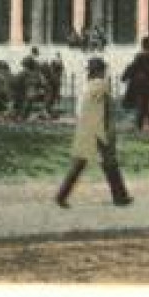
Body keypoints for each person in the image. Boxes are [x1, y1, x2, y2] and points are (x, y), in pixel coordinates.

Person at [56, 57, 132, 209]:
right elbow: (102, 112)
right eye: (103, 69)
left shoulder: (86, 87)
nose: (104, 72)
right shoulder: (101, 86)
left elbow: (80, 110)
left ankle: (62, 195)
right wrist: (106, 134)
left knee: (81, 164)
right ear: (99, 71)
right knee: (109, 164)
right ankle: (120, 197)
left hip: (87, 127)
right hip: (99, 129)